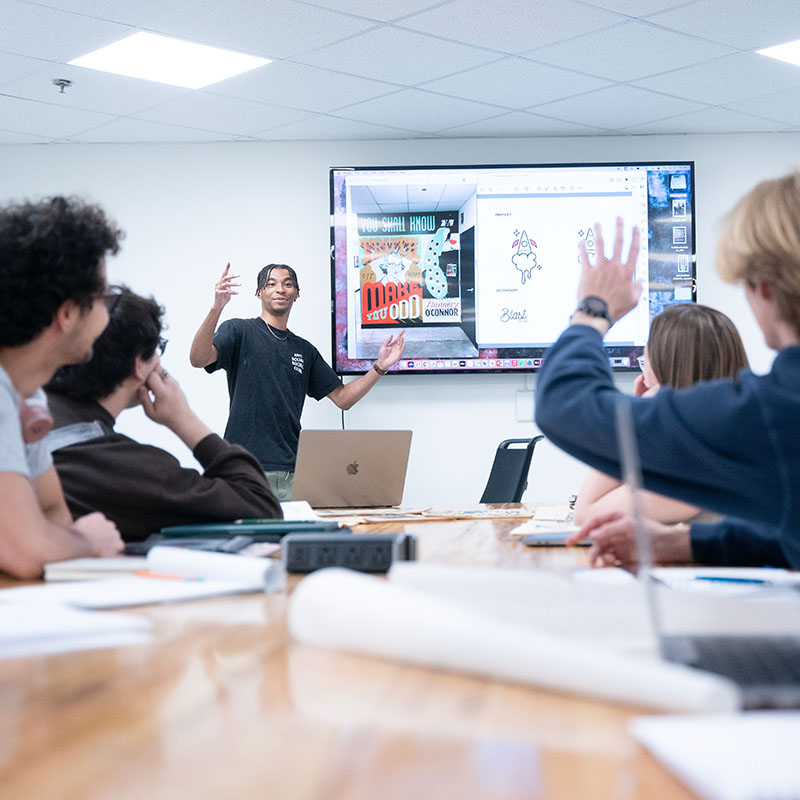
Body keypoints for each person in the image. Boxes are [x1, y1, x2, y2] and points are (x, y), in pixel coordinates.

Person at [534, 172, 800, 570]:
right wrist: (686, 544)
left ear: (763, 287)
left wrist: (593, 310)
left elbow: (563, 405)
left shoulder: (775, 408)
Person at [45, 287, 282, 541]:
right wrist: (185, 419)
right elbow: (260, 506)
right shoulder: (119, 466)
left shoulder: (30, 414)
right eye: (158, 347)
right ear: (140, 365)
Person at [190, 262, 406, 500]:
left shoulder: (304, 350)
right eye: (271, 284)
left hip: (292, 472)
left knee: (296, 537)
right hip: (244, 468)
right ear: (259, 292)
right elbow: (198, 359)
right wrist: (216, 307)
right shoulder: (239, 330)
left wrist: (380, 367)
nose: (280, 289)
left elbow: (343, 399)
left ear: (296, 294)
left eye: (288, 284)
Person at [0, 196, 124, 578]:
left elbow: (53, 513)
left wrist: (61, 541)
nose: (108, 312)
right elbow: (26, 549)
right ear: (68, 314)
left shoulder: (26, 394)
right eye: (104, 298)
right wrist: (90, 543)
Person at [572, 304, 750, 526]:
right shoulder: (730, 439)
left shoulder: (692, 466)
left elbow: (585, 515)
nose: (642, 370)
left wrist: (637, 418)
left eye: (645, 359)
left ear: (666, 367)